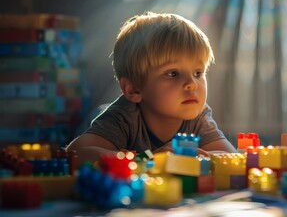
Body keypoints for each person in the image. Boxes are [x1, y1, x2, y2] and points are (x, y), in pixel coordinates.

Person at [66, 12, 236, 165]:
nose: (192, 83)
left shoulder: (197, 116)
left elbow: (231, 155)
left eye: (198, 72)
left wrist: (199, 158)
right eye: (173, 74)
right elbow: (74, 153)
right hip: (100, 119)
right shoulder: (124, 117)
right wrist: (148, 158)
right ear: (134, 90)